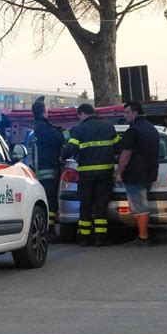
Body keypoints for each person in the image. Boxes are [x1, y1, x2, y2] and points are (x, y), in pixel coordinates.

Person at [60, 103, 119, 247]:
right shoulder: (109, 127)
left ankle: (84, 238)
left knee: (85, 206)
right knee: (101, 206)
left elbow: (70, 148)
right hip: (105, 174)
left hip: (86, 175)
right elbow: (118, 148)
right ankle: (100, 238)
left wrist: (62, 157)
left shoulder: (79, 130)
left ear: (81, 114)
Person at [114, 101, 159, 247]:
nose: (124, 115)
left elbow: (126, 154)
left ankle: (143, 237)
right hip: (150, 173)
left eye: (127, 112)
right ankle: (143, 235)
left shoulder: (133, 131)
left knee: (139, 207)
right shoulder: (152, 129)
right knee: (141, 205)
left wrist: (119, 172)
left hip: (135, 175)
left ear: (135, 113)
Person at [32, 99, 67, 242]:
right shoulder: (42, 127)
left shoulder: (42, 127)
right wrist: (70, 133)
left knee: (51, 200)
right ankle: (49, 230)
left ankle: (49, 228)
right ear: (45, 112)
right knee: (50, 201)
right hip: (48, 170)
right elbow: (58, 139)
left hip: (46, 169)